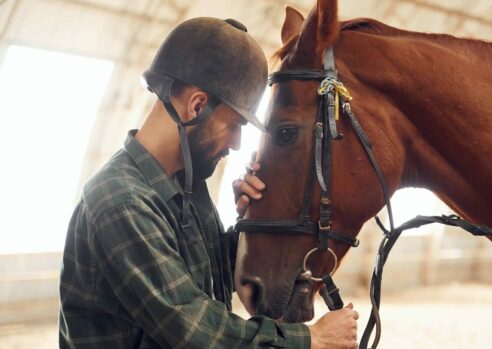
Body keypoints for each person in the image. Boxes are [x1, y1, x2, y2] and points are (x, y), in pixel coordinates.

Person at [58, 17, 358, 348]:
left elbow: (208, 273)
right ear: (197, 106)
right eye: (235, 124)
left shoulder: (186, 186)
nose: (237, 144)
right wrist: (312, 340)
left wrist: (250, 221)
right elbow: (192, 326)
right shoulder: (121, 200)